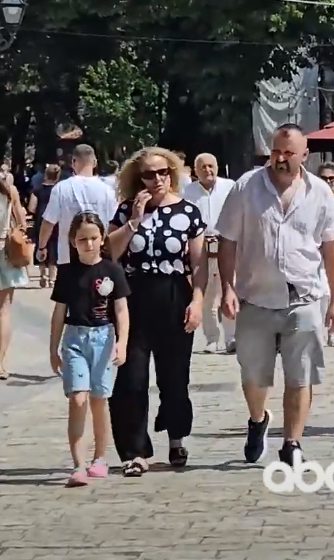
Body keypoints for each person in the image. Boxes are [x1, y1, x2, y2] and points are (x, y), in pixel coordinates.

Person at [217, 123, 334, 466]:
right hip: (255, 296)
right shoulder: (247, 187)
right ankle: (258, 419)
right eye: (276, 151)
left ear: (305, 155)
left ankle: (292, 443)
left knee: (300, 375)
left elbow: (332, 248)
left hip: (303, 297)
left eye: (289, 153)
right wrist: (227, 287)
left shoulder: (319, 192)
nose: (281, 159)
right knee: (254, 377)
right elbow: (227, 239)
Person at [107, 147, 207, 477]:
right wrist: (134, 221)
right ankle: (135, 451)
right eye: (149, 174)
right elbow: (111, 253)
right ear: (139, 179)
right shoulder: (125, 211)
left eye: (163, 172)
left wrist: (198, 301)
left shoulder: (188, 212)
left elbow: (198, 263)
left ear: (173, 173)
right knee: (131, 379)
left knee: (175, 377)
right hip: (134, 298)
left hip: (174, 294)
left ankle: (176, 438)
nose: (157, 179)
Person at [49, 212, 131, 487]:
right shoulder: (67, 273)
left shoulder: (112, 270)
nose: (89, 244)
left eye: (94, 238)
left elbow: (121, 310)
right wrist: (53, 349)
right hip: (75, 338)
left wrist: (122, 342)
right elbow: (59, 312)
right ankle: (78, 464)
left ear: (102, 239)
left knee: (99, 399)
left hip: (103, 338)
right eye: (82, 239)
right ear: (73, 241)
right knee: (78, 398)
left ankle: (100, 457)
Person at [183, 153, 237, 354]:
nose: (208, 170)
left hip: (227, 245)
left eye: (211, 166)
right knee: (207, 296)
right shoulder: (188, 192)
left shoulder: (229, 186)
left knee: (230, 291)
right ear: (196, 171)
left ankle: (232, 338)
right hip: (201, 247)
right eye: (203, 167)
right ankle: (212, 338)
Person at [37, 145, 117, 268]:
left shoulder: (61, 188)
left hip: (67, 257)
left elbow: (48, 222)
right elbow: (113, 225)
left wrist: (42, 247)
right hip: (99, 255)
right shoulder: (108, 191)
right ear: (95, 162)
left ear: (73, 162)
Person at [0, 170, 29, 380]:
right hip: (5, 254)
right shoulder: (10, 191)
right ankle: (0, 363)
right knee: (3, 311)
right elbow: (23, 223)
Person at [317, 162, 334, 348]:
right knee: (322, 291)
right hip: (318, 250)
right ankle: (320, 329)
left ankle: (333, 332)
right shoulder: (314, 198)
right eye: (324, 178)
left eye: (331, 178)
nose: (328, 182)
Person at [28, 164, 62, 287]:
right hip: (57, 222)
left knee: (41, 246)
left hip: (41, 221)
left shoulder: (37, 190)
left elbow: (31, 207)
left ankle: (43, 276)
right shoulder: (59, 190)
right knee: (54, 249)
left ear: (45, 174)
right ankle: (52, 278)